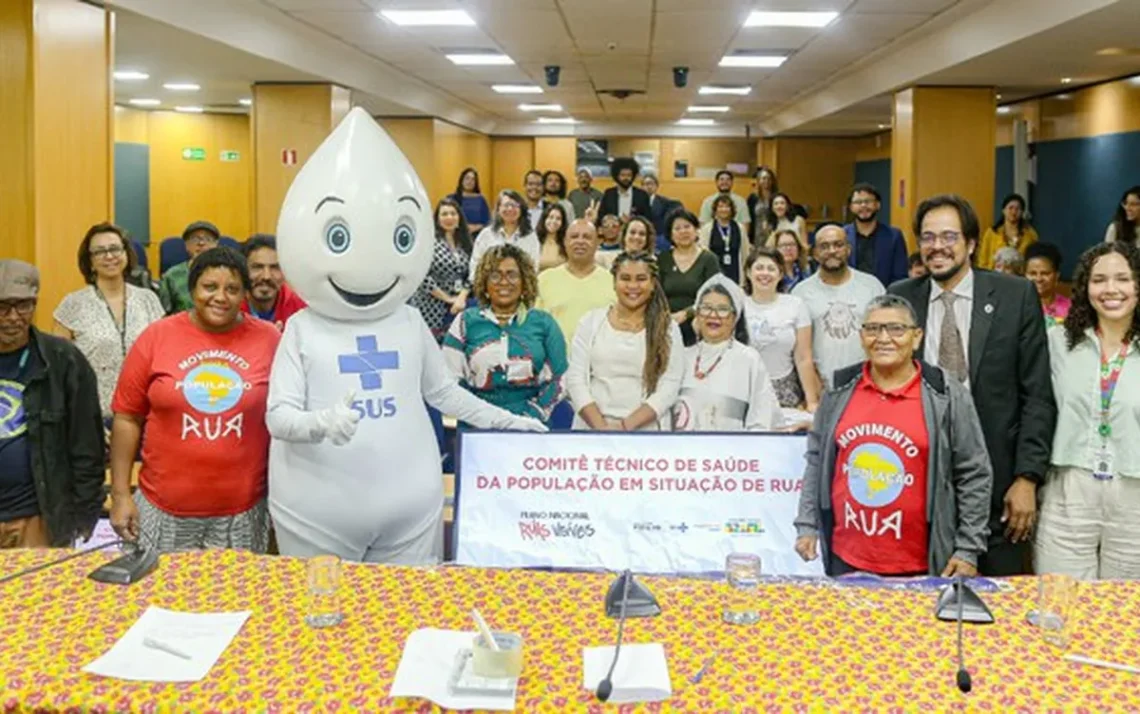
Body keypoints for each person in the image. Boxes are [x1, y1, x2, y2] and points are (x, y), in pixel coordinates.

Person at [266, 108, 546, 565]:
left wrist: (506, 421)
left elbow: (444, 394)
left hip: (411, 511)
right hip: (316, 514)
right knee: (322, 627)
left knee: (410, 621)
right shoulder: (302, 329)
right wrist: (321, 422)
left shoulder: (409, 322)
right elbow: (278, 416)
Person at [889, 194, 1055, 576]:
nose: (937, 247)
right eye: (928, 238)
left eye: (949, 236)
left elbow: (1038, 396)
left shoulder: (1015, 297)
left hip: (1000, 486)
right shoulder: (902, 296)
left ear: (971, 243)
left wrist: (1027, 478)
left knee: (1000, 608)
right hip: (919, 484)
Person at [794, 294, 992, 577]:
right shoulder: (839, 391)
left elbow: (974, 473)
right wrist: (808, 524)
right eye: (873, 329)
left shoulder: (945, 395)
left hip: (920, 564)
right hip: (846, 557)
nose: (883, 338)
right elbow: (817, 460)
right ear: (862, 337)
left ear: (917, 337)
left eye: (897, 329)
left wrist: (968, 549)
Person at [108, 247, 282, 552]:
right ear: (192, 290)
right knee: (156, 598)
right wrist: (121, 495)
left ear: (245, 294)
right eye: (209, 287)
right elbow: (127, 417)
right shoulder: (156, 336)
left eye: (232, 289)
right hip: (162, 508)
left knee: (236, 599)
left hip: (242, 513)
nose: (221, 297)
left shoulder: (270, 339)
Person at [1037, 241, 1140, 579]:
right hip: (1070, 490)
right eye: (1099, 280)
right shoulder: (1059, 342)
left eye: (1123, 279)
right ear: (1085, 287)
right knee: (1060, 606)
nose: (1111, 289)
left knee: (1127, 614)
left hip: (1134, 498)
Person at [0, 260, 104, 548]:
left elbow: (88, 446)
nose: (12, 317)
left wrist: (84, 515)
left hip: (41, 517)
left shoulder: (64, 360)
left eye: (23, 306)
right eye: (2, 307)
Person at [52, 222, 165, 422]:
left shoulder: (149, 299)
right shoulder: (73, 304)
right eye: (99, 251)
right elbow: (58, 368)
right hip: (90, 415)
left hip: (145, 413)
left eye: (114, 249)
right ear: (90, 261)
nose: (109, 256)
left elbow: (165, 355)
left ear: (126, 253)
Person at [443, 244, 567, 423]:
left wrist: (531, 415)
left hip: (530, 424)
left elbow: (560, 377)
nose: (503, 281)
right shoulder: (465, 321)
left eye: (512, 274)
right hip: (476, 423)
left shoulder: (544, 323)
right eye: (495, 275)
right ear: (484, 283)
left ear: (525, 282)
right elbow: (450, 377)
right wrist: (479, 415)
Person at [567, 251, 684, 431]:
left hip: (647, 432)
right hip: (592, 430)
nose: (633, 286)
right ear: (614, 282)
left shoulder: (668, 328)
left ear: (653, 283)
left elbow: (669, 386)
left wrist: (625, 427)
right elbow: (575, 380)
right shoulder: (590, 322)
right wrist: (602, 428)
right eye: (625, 278)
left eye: (641, 279)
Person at [673, 275, 781, 431]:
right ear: (697, 314)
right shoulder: (683, 356)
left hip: (734, 452)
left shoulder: (749, 358)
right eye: (706, 308)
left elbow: (761, 415)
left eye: (723, 309)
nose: (713, 315)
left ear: (735, 317)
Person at [792, 223, 884, 389]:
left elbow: (884, 337)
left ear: (848, 249)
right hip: (821, 387)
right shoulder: (800, 293)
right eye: (824, 246)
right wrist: (812, 384)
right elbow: (798, 349)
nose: (832, 250)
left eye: (838, 244)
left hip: (868, 384)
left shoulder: (872, 286)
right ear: (815, 253)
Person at [743, 247, 822, 412]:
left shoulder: (795, 305)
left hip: (786, 389)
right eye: (759, 268)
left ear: (780, 275)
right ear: (748, 272)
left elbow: (803, 358)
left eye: (771, 269)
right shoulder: (739, 306)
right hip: (746, 388)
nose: (765, 273)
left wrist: (812, 401)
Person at [537, 219, 615, 345]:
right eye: (574, 237)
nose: (580, 241)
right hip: (554, 362)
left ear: (597, 243)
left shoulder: (612, 282)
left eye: (587, 237)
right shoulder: (544, 280)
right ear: (565, 242)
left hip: (600, 362)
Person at [409, 199, 473, 341]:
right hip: (430, 306)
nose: (449, 218)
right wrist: (447, 298)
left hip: (458, 306)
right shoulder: (428, 241)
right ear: (437, 219)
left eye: (453, 213)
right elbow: (422, 276)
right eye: (444, 214)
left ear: (459, 217)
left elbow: (471, 274)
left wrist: (461, 297)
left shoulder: (466, 242)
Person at [658, 210, 722, 347]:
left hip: (700, 322)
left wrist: (687, 313)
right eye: (677, 228)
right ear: (670, 235)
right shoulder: (663, 259)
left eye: (687, 227)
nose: (683, 232)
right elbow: (656, 293)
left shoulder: (709, 259)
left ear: (696, 230)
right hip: (666, 324)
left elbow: (714, 295)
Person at [844, 183, 908, 287]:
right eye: (858, 202)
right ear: (851, 207)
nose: (863, 205)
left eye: (868, 201)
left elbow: (900, 276)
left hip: (883, 297)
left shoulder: (894, 236)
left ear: (877, 205)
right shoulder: (842, 235)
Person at [240, 234, 307, 331]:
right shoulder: (231, 307)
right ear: (243, 269)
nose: (266, 276)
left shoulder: (300, 308)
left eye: (275, 268)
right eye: (257, 267)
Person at [470, 190, 539, 278]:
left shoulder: (530, 236)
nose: (510, 209)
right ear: (498, 209)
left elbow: (533, 267)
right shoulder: (486, 235)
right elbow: (475, 264)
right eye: (506, 205)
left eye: (514, 205)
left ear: (522, 210)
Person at [159, 220, 220, 314]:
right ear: (186, 245)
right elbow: (163, 313)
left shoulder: (226, 273)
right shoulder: (172, 276)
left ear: (216, 244)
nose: (201, 243)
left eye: (208, 239)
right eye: (195, 239)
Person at [699, 194, 750, 284]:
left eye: (727, 206)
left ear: (731, 209)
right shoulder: (707, 229)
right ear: (715, 210)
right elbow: (703, 253)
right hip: (714, 274)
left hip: (735, 274)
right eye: (720, 206)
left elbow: (745, 253)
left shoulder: (740, 228)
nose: (724, 209)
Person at [978, 193, 1038, 269]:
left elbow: (1034, 259)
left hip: (1020, 277)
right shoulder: (992, 232)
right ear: (1003, 210)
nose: (1014, 212)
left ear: (1022, 212)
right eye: (1010, 208)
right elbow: (982, 260)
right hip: (995, 276)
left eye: (1018, 209)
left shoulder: (1030, 234)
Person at [1025, 242, 1070, 328]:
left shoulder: (1070, 309)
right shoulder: (1016, 309)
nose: (1038, 279)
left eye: (1045, 273)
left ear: (1056, 276)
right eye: (1033, 273)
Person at [599, 157, 650, 223]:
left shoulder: (642, 195)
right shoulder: (609, 194)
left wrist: (632, 220)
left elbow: (647, 219)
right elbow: (602, 216)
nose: (626, 178)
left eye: (629, 175)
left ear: (633, 176)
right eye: (622, 175)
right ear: (616, 176)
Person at [642, 173, 680, 251]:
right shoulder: (636, 202)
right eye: (645, 184)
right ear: (642, 187)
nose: (648, 187)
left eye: (651, 184)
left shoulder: (665, 202)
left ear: (656, 186)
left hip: (659, 238)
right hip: (642, 236)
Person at [449, 167, 491, 235]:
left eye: (473, 179)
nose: (469, 181)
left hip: (477, 235)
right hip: (456, 234)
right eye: (467, 178)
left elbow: (487, 220)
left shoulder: (480, 200)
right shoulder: (452, 198)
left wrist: (476, 227)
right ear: (461, 180)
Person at [747, 166, 778, 245]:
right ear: (759, 180)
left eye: (769, 178)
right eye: (764, 178)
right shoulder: (752, 198)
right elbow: (749, 218)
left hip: (773, 234)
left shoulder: (777, 197)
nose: (766, 181)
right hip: (756, 235)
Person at [536, 203, 569, 272]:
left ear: (562, 223)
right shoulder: (534, 240)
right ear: (544, 219)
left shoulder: (567, 242)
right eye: (550, 217)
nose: (554, 221)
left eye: (558, 218)